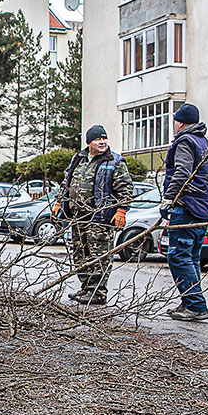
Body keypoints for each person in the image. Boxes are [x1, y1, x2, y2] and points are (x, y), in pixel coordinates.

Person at [56, 125, 134, 305]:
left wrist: (122, 210)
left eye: (104, 139)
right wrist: (60, 201)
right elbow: (66, 182)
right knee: (80, 254)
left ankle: (98, 292)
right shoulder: (78, 159)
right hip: (78, 218)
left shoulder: (114, 162)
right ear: (89, 142)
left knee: (99, 256)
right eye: (98, 139)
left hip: (100, 219)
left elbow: (126, 189)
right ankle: (86, 287)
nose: (102, 142)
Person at [161, 103, 208, 321]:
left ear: (180, 122)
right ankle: (189, 301)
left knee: (179, 256)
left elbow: (182, 171)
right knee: (192, 257)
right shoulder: (205, 144)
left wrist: (170, 198)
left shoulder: (185, 141)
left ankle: (195, 305)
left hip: (186, 206)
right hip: (203, 209)